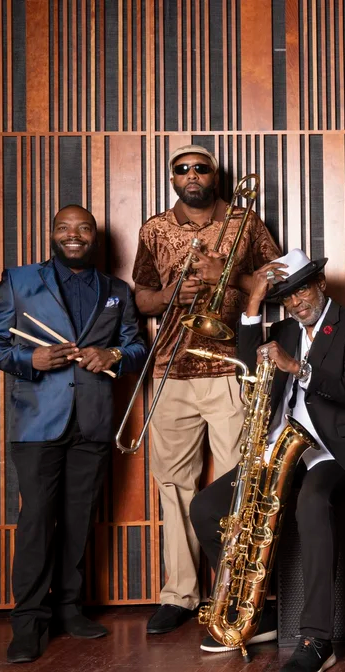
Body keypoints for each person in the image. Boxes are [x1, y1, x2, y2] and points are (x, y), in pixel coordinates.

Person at [190, 248, 345, 672]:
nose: (296, 303)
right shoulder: (284, 328)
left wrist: (298, 367)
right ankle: (256, 610)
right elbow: (249, 374)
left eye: (302, 292)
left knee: (313, 504)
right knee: (205, 508)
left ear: (321, 285)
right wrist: (254, 302)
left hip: (333, 451)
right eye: (286, 297)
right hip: (281, 450)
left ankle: (316, 639)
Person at [0, 205, 147, 663]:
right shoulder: (20, 279)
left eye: (83, 229)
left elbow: (136, 347)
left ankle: (69, 609)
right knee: (36, 523)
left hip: (91, 421)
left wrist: (112, 356)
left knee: (79, 520)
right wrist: (29, 361)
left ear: (94, 236)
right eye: (64, 228)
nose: (74, 236)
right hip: (37, 423)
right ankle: (28, 621)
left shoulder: (116, 291)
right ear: (51, 234)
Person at [132, 145, 283, 635]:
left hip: (226, 367)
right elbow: (142, 295)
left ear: (216, 175)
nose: (192, 174)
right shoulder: (155, 228)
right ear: (172, 177)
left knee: (237, 482)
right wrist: (173, 294)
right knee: (173, 486)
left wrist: (229, 277)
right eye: (183, 169)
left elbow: (278, 281)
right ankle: (180, 594)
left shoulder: (245, 220)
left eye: (202, 167)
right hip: (170, 368)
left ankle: (235, 591)